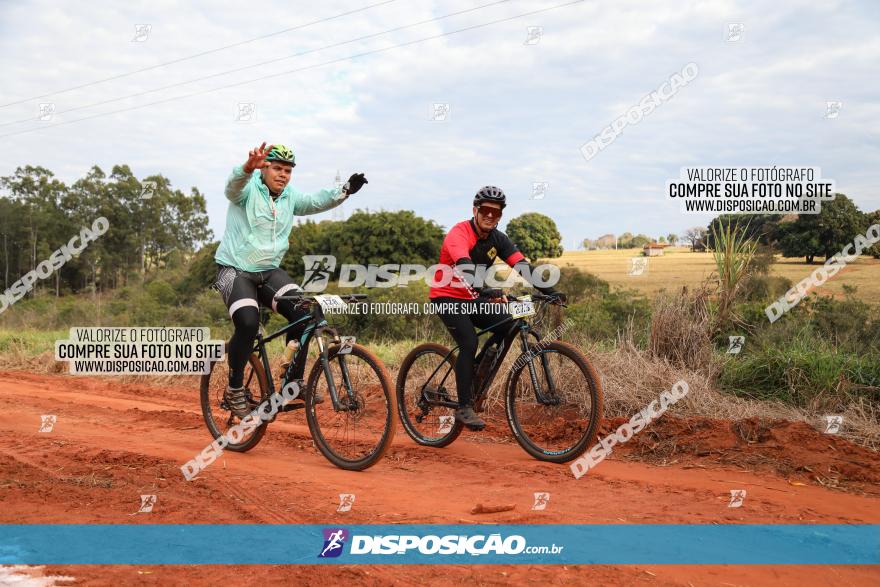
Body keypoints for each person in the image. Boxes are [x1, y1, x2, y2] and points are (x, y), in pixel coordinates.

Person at [213, 142, 368, 417]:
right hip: (234, 269)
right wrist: (247, 168)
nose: (283, 174)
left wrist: (345, 190)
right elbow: (231, 188)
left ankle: (291, 384)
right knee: (248, 323)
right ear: (264, 170)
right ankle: (234, 389)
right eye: (277, 168)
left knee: (304, 312)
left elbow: (316, 201)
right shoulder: (247, 189)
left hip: (269, 270)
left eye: (287, 170)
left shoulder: (289, 196)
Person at [429, 186, 563, 430]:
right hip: (447, 296)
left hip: (474, 297)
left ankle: (475, 374)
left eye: (497, 212)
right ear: (475, 211)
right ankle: (464, 406)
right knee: (469, 342)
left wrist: (551, 292)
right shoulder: (459, 234)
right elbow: (464, 265)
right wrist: (486, 290)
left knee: (509, 323)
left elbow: (522, 266)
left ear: (501, 215)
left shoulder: (498, 239)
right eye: (486, 210)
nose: (491, 216)